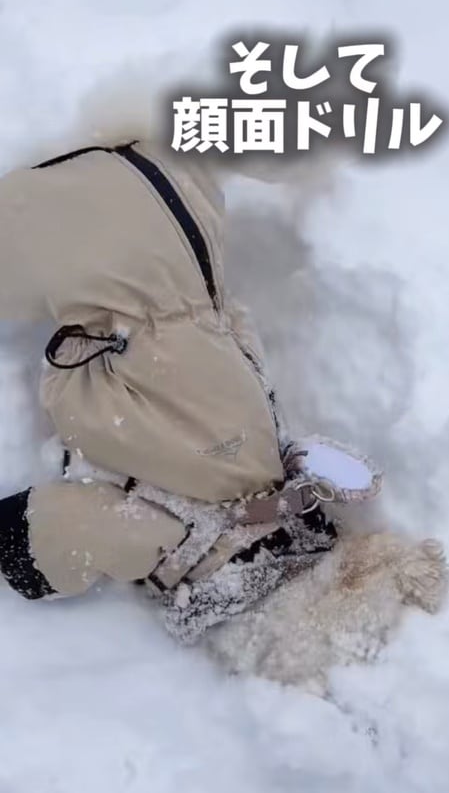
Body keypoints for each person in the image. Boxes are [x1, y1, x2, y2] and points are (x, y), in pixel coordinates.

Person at [0, 138, 341, 641]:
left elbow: (235, 334)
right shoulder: (167, 531)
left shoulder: (266, 444)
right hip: (46, 203)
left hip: (175, 184)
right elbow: (24, 542)